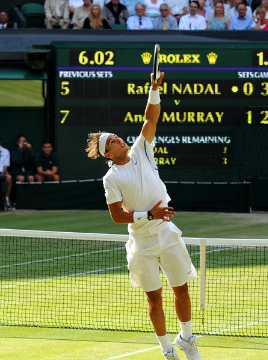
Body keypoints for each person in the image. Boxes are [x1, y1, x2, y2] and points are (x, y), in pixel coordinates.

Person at [85, 72, 202, 360]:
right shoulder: (110, 179)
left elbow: (150, 119)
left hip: (166, 232)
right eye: (112, 141)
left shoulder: (142, 150)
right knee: (154, 298)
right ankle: (167, 350)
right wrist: (150, 213)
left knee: (182, 290)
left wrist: (153, 89)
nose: (119, 139)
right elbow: (116, 217)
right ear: (108, 153)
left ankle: (186, 339)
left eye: (116, 136)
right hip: (141, 243)